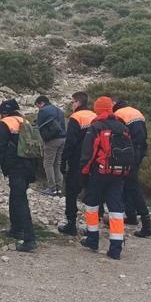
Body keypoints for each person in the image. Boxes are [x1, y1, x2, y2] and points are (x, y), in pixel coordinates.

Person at [79, 96, 132, 259]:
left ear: (98, 109)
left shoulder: (96, 127)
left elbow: (89, 152)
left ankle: (92, 238)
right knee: (116, 209)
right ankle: (116, 248)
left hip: (100, 172)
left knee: (92, 204)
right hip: (119, 173)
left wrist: (83, 172)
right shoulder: (122, 127)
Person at [0, 99, 38, 252]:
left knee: (20, 201)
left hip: (15, 167)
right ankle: (16, 228)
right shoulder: (25, 121)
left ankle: (29, 239)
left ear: (4, 113)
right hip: (29, 166)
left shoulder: (6, 123)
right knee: (17, 196)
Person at [113, 99, 151, 238]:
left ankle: (147, 224)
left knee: (133, 186)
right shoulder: (136, 112)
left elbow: (119, 136)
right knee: (128, 184)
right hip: (140, 150)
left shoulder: (118, 114)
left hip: (130, 152)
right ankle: (131, 215)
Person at [58, 92, 95, 235]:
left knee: (71, 193)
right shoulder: (94, 116)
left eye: (72, 102)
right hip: (93, 161)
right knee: (92, 193)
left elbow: (70, 142)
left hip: (77, 161)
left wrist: (63, 160)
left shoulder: (76, 117)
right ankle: (92, 226)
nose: (71, 105)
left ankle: (71, 223)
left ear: (78, 102)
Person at [34, 95, 66, 196]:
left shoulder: (44, 111)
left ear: (41, 103)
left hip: (52, 140)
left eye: (38, 106)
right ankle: (59, 189)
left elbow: (38, 125)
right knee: (57, 164)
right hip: (63, 139)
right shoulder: (59, 110)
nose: (39, 108)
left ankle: (52, 189)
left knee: (48, 164)